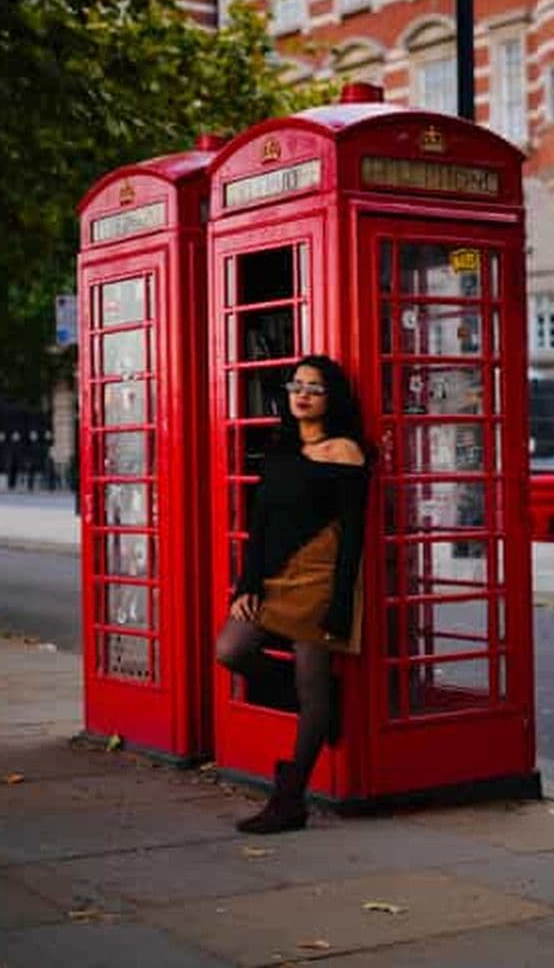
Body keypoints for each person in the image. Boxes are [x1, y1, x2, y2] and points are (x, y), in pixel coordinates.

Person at [215, 355, 369, 835]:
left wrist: (342, 605)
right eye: (296, 385)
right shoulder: (279, 449)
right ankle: (320, 713)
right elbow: (259, 526)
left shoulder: (345, 452)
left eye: (315, 388)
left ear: (332, 398)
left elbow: (354, 536)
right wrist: (248, 584)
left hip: (322, 577)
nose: (302, 394)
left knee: (312, 683)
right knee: (232, 649)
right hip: (277, 577)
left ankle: (289, 798)